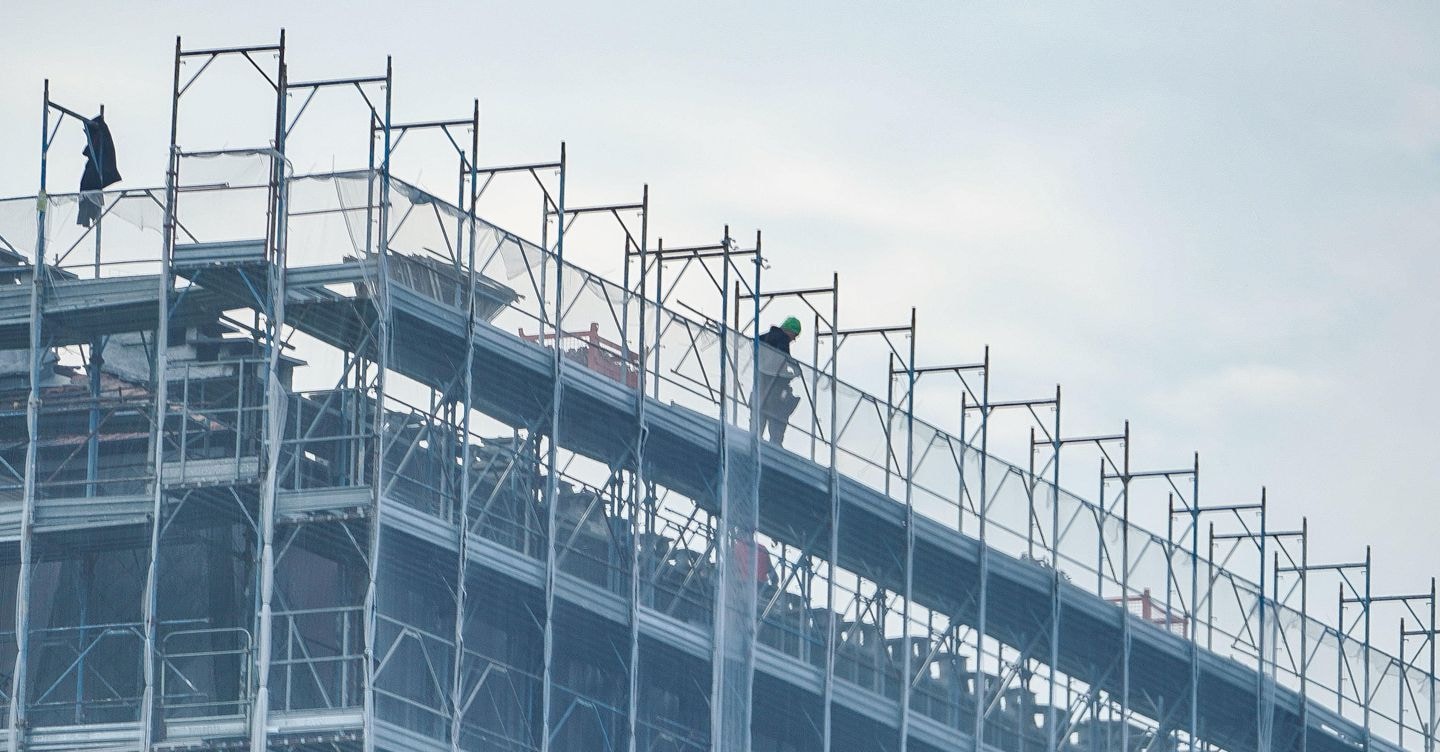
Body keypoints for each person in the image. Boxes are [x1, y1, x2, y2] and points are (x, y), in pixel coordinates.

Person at [757, 316, 802, 444]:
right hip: (773, 386)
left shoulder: (764, 337)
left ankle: (755, 436)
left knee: (759, 412)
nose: (794, 339)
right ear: (790, 330)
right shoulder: (783, 339)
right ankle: (775, 444)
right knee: (777, 413)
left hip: (760, 382)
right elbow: (784, 358)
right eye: (795, 335)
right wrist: (794, 371)